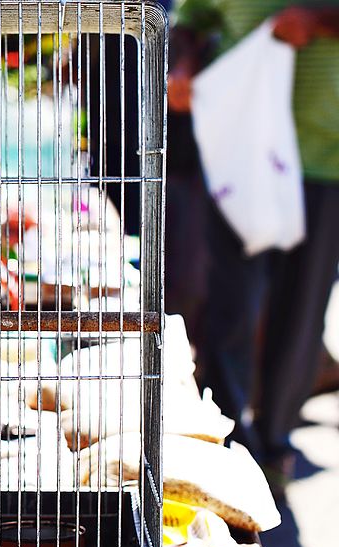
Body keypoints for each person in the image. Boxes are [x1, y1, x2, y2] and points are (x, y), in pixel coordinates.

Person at [169, 1, 339, 498]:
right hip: (238, 156)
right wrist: (183, 66)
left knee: (299, 315)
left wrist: (321, 19)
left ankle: (273, 447)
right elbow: (192, 22)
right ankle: (227, 453)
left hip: (324, 159)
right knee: (229, 305)